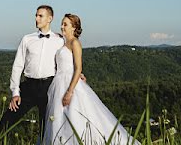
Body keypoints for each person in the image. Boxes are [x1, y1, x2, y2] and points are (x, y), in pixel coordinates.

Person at [44, 14, 139, 145]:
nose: (62, 26)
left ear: (74, 27)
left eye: (65, 24)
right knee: (60, 119)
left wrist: (69, 91)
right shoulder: (63, 42)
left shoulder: (75, 43)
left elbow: (78, 67)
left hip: (70, 85)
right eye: (62, 23)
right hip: (59, 82)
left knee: (76, 117)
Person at [0, 5, 64, 140]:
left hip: (49, 87)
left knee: (47, 128)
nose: (36, 18)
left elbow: (66, 62)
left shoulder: (60, 40)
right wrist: (15, 92)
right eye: (36, 15)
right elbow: (18, 66)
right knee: (6, 120)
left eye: (40, 16)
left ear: (50, 18)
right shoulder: (27, 39)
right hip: (28, 86)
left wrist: (78, 73)